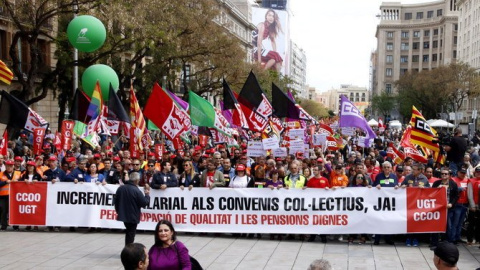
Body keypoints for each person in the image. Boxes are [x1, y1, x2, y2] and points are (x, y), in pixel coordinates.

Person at [114, 172, 150, 245]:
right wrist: (147, 195)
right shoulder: (136, 190)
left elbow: (116, 202)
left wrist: (118, 211)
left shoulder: (121, 188)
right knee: (130, 233)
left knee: (129, 232)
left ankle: (128, 248)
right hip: (133, 215)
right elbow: (144, 203)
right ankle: (128, 249)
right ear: (136, 180)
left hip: (124, 214)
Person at [431, 168, 459, 247]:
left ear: (449, 175)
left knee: (447, 226)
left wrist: (451, 204)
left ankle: (446, 243)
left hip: (448, 208)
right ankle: (434, 243)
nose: (444, 175)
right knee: (436, 225)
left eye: (446, 174)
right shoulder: (436, 183)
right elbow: (430, 194)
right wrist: (437, 189)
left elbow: (456, 196)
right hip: (437, 208)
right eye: (442, 174)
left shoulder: (453, 184)